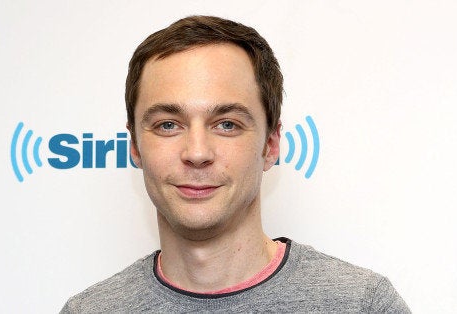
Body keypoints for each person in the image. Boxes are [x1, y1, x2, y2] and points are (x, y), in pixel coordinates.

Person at [61, 15, 410, 313]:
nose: (197, 152)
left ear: (270, 145)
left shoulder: (361, 305)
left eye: (227, 124)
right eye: (168, 124)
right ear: (135, 146)